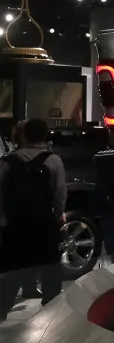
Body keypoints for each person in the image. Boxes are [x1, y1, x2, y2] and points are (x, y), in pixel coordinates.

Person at [0, 118, 67, 318]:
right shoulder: (53, 160)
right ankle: (52, 312)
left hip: (15, 225)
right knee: (50, 270)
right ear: (45, 135)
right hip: (44, 224)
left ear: (23, 134)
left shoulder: (7, 162)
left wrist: (3, 220)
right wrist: (58, 216)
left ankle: (2, 310)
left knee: (11, 269)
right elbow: (60, 195)